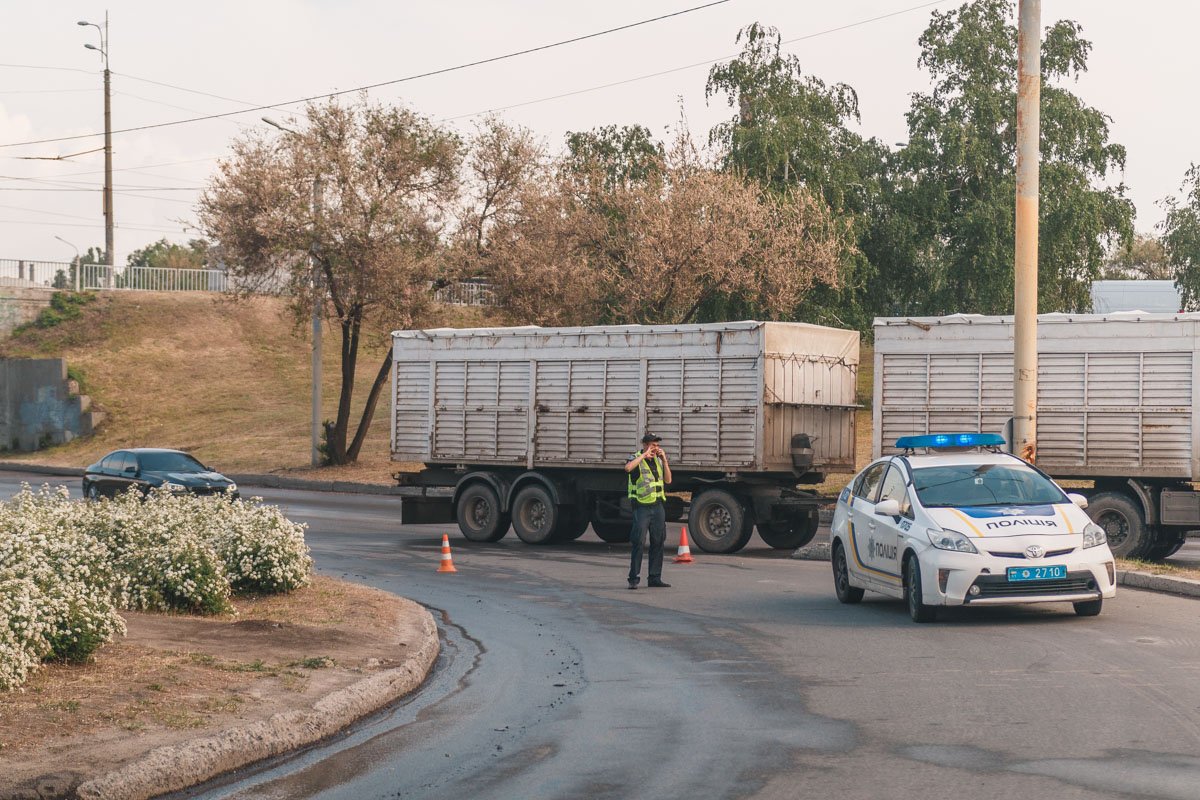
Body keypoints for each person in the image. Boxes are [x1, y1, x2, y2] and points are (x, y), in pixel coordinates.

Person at [624, 433, 673, 589]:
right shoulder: (636, 458)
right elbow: (627, 468)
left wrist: (664, 460)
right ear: (645, 445)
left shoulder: (658, 460)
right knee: (638, 541)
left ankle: (654, 577)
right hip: (642, 506)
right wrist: (644, 455)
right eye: (653, 445)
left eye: (657, 446)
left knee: (658, 541)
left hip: (657, 506)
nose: (656, 448)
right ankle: (633, 578)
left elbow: (668, 480)